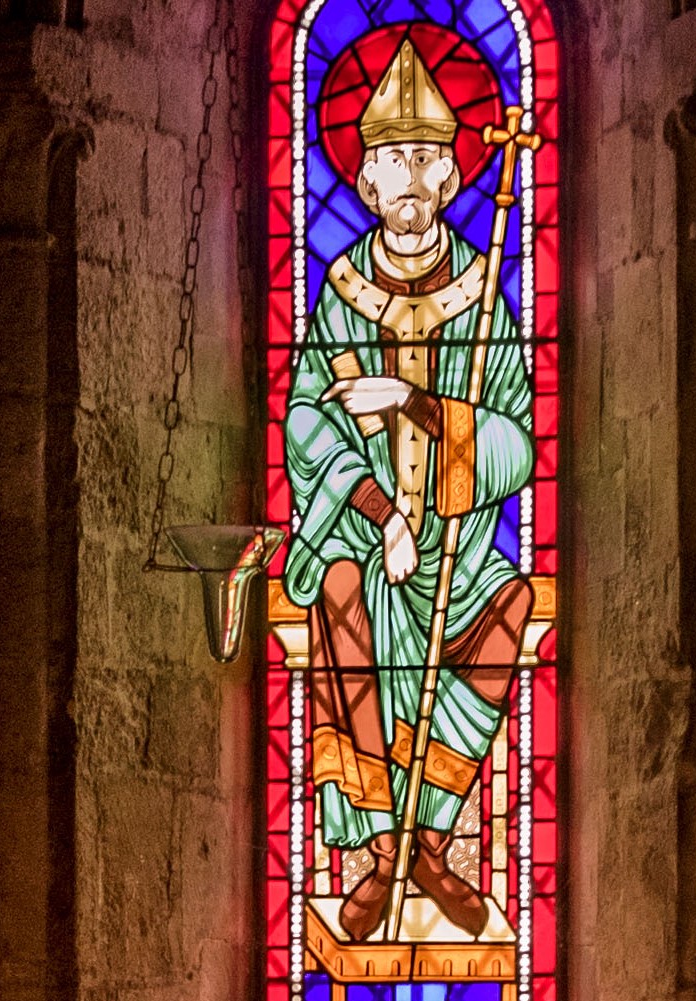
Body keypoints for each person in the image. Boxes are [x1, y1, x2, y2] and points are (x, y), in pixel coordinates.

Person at [283, 38, 533, 941]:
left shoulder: (482, 298)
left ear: (453, 172)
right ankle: (384, 850)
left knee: (508, 606)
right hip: (359, 536)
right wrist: (381, 512)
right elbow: (305, 425)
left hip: (458, 547)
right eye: (394, 160)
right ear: (367, 181)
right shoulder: (340, 297)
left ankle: (427, 841)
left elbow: (517, 437)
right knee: (343, 598)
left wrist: (418, 404)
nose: (413, 177)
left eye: (429, 158)